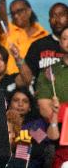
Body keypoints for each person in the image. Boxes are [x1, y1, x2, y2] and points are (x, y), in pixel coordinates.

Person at [0, 0, 48, 74]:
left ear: (29, 11)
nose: (15, 16)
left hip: (35, 82)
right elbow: (2, 21)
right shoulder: (7, 31)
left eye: (19, 11)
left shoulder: (43, 34)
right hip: (11, 83)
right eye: (12, 14)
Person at [36, 26, 68, 167]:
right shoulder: (48, 72)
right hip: (58, 137)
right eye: (65, 38)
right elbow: (45, 108)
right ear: (60, 43)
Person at [20, 3, 68, 86]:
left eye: (61, 15)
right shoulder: (38, 46)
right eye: (53, 16)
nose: (57, 20)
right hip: (43, 95)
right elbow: (27, 77)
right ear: (49, 21)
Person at [6, 87, 51, 168]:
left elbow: (44, 148)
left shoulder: (36, 125)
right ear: (9, 104)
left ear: (30, 107)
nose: (20, 104)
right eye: (16, 100)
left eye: (25, 101)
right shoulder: (3, 122)